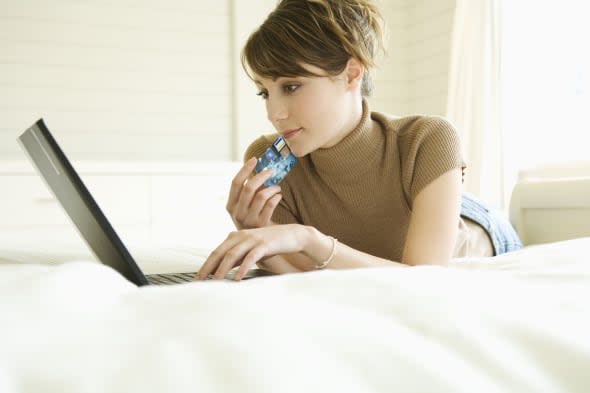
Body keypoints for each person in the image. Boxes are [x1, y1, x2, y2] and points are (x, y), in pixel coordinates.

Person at [196, 0, 522, 281]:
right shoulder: (271, 160)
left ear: (352, 74)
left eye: (291, 86)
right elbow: (310, 279)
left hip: (475, 227)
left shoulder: (428, 140)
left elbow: (425, 280)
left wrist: (310, 239)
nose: (274, 113)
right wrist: (256, 236)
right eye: (265, 92)